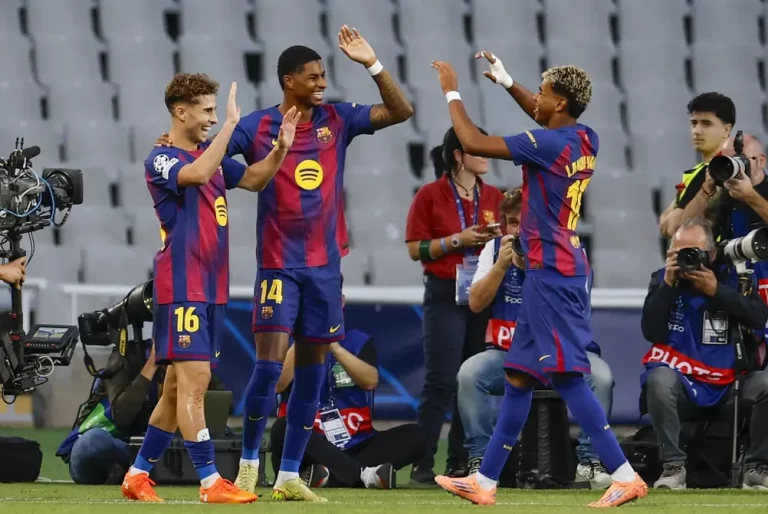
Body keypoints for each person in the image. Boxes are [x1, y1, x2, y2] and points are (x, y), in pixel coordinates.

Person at [428, 51, 647, 507]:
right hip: (549, 268)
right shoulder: (585, 137)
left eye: (544, 93)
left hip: (552, 272)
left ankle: (624, 474)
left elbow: (470, 140)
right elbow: (540, 112)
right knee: (520, 378)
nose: (537, 99)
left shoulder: (546, 144)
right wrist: (509, 82)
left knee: (567, 377)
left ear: (560, 103)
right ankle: (484, 482)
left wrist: (451, 88)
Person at [224, 27, 413, 502]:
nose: (322, 82)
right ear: (289, 81)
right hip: (277, 264)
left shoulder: (337, 118)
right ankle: (248, 467)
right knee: (269, 368)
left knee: (311, 371)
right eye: (312, 77)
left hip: (326, 268)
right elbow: (221, 167)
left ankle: (289, 475)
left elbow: (400, 111)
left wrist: (372, 64)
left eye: (324, 75)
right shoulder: (256, 127)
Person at [121, 73, 300, 504]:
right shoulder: (161, 159)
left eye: (215, 111)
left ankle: (137, 475)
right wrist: (229, 130)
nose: (213, 118)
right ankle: (209, 482)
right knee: (197, 381)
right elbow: (198, 174)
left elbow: (255, 180)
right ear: (180, 111)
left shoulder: (210, 155)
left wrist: (280, 150)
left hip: (212, 286)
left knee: (173, 389)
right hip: (182, 283)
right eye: (206, 111)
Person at [458, 189, 615, 489]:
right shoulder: (493, 251)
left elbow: (577, 313)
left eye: (526, 222)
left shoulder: (567, 251)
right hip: (508, 354)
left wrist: (537, 268)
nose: (520, 230)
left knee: (602, 377)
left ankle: (589, 461)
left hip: (560, 354)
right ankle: (480, 461)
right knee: (470, 373)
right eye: (513, 223)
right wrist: (501, 267)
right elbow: (475, 303)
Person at [404, 126, 504, 484]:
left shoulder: (494, 196)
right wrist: (455, 241)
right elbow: (416, 248)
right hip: (445, 291)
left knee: (471, 378)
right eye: (477, 150)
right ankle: (423, 462)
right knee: (441, 380)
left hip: (482, 292)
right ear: (458, 156)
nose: (485, 155)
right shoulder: (429, 195)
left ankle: (462, 461)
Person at [640, 218, 768, 490]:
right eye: (678, 252)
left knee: (766, 384)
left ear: (711, 252)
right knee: (659, 379)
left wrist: (717, 292)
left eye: (693, 253)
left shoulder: (735, 277)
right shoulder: (661, 278)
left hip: (730, 385)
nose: (686, 259)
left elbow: (758, 317)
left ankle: (756, 468)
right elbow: (652, 332)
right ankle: (674, 466)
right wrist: (667, 285)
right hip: (683, 385)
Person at [269, 328, 426, 489]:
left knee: (416, 435)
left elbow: (370, 381)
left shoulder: (359, 342)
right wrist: (301, 342)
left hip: (357, 444)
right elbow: (277, 385)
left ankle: (325, 477)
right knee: (283, 427)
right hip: (309, 447)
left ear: (340, 304)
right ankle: (363, 476)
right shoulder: (283, 343)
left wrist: (336, 349)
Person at [56, 341, 161, 485]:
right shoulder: (127, 355)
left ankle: (126, 469)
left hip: (156, 448)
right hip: (109, 446)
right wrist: (151, 365)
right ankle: (127, 467)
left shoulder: (190, 362)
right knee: (91, 442)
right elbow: (122, 415)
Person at [659, 93, 735, 239]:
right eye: (694, 123)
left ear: (726, 130)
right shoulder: (694, 173)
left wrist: (678, 215)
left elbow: (676, 228)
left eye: (706, 124)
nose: (697, 131)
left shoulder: (728, 171)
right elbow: (665, 226)